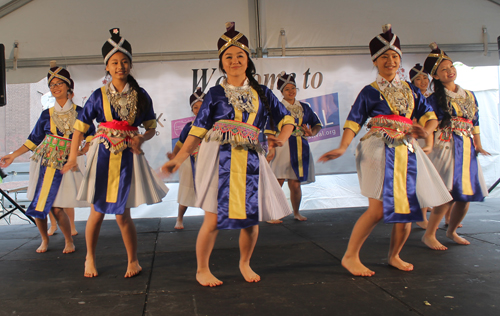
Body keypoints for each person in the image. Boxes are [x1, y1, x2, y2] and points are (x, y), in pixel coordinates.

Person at [161, 22, 294, 287]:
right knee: (213, 217)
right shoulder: (214, 94)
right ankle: (202, 269)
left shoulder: (263, 92)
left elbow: (287, 118)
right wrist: (178, 158)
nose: (234, 61)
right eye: (228, 57)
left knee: (250, 219)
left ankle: (244, 263)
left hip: (252, 160)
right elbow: (197, 131)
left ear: (248, 61)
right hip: (219, 158)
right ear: (222, 63)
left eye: (240, 56)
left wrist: (282, 137)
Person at [318, 25, 452, 277]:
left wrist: (425, 130)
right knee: (377, 209)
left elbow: (431, 117)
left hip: (407, 150)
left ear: (400, 60)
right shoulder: (370, 91)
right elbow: (353, 120)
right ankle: (350, 256)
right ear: (375, 62)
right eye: (384, 57)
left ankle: (394, 255)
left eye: (394, 57)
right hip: (377, 148)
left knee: (408, 209)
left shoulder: (412, 90)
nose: (390, 61)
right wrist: (343, 146)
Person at [62, 28, 169, 278]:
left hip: (128, 156)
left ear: (130, 65)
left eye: (124, 62)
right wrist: (71, 157)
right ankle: (89, 257)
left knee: (123, 213)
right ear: (107, 67)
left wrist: (141, 137)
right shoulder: (98, 96)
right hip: (101, 155)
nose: (120, 66)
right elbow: (79, 128)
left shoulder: (141, 95)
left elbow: (151, 128)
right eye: (114, 63)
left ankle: (133, 260)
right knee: (97, 212)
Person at [0, 62, 94, 253]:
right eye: (52, 85)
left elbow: (91, 134)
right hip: (45, 161)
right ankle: (44, 239)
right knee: (40, 204)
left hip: (66, 163)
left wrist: (82, 150)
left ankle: (69, 239)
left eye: (59, 83)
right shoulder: (46, 114)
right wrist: (12, 156)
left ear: (69, 86)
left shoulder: (81, 112)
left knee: (58, 206)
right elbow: (33, 140)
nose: (55, 87)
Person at [421, 43, 489, 251]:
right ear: (437, 76)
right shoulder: (434, 99)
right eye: (444, 69)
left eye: (451, 67)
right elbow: (430, 125)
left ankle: (451, 231)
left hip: (467, 147)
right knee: (447, 194)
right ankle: (430, 234)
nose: (450, 71)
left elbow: (475, 121)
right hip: (447, 146)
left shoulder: (469, 95)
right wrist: (430, 145)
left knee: (465, 195)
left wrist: (478, 144)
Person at [266, 72, 322, 222]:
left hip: (300, 146)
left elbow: (317, 124)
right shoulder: (276, 107)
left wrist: (311, 133)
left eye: (293, 88)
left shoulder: (304, 107)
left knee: (296, 184)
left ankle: (296, 212)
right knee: (278, 182)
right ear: (282, 92)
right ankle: (272, 213)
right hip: (282, 146)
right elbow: (270, 129)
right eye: (287, 89)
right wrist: (271, 150)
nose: (291, 91)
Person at [167, 88, 204, 229]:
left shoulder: (214, 126)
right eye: (195, 107)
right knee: (187, 190)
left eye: (201, 106)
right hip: (190, 162)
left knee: (212, 190)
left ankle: (214, 220)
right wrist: (174, 156)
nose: (198, 109)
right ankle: (179, 219)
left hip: (207, 162)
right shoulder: (189, 126)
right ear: (192, 110)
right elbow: (180, 144)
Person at [409, 63, 433, 229]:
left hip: (436, 141)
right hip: (417, 142)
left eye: (425, 78)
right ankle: (421, 216)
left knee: (434, 180)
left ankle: (444, 215)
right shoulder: (412, 99)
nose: (423, 81)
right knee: (422, 180)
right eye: (419, 79)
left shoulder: (432, 98)